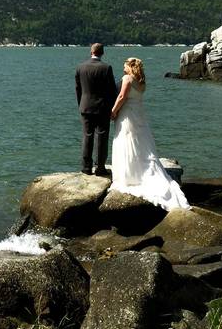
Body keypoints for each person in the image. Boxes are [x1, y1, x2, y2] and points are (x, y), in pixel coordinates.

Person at [110, 57, 190, 210]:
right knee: (140, 143)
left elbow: (122, 97)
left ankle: (129, 175)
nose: (123, 67)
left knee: (126, 140)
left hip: (127, 114)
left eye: (125, 64)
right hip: (139, 114)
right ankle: (138, 170)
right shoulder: (142, 82)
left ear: (130, 66)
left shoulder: (127, 78)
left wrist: (113, 111)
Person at [75, 43, 118, 177]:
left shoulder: (80, 67)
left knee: (87, 136)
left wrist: (81, 105)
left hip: (85, 106)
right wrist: (113, 108)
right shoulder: (106, 68)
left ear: (91, 52)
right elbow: (112, 90)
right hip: (102, 107)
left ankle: (86, 167)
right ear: (102, 53)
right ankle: (100, 168)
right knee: (102, 137)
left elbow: (78, 89)